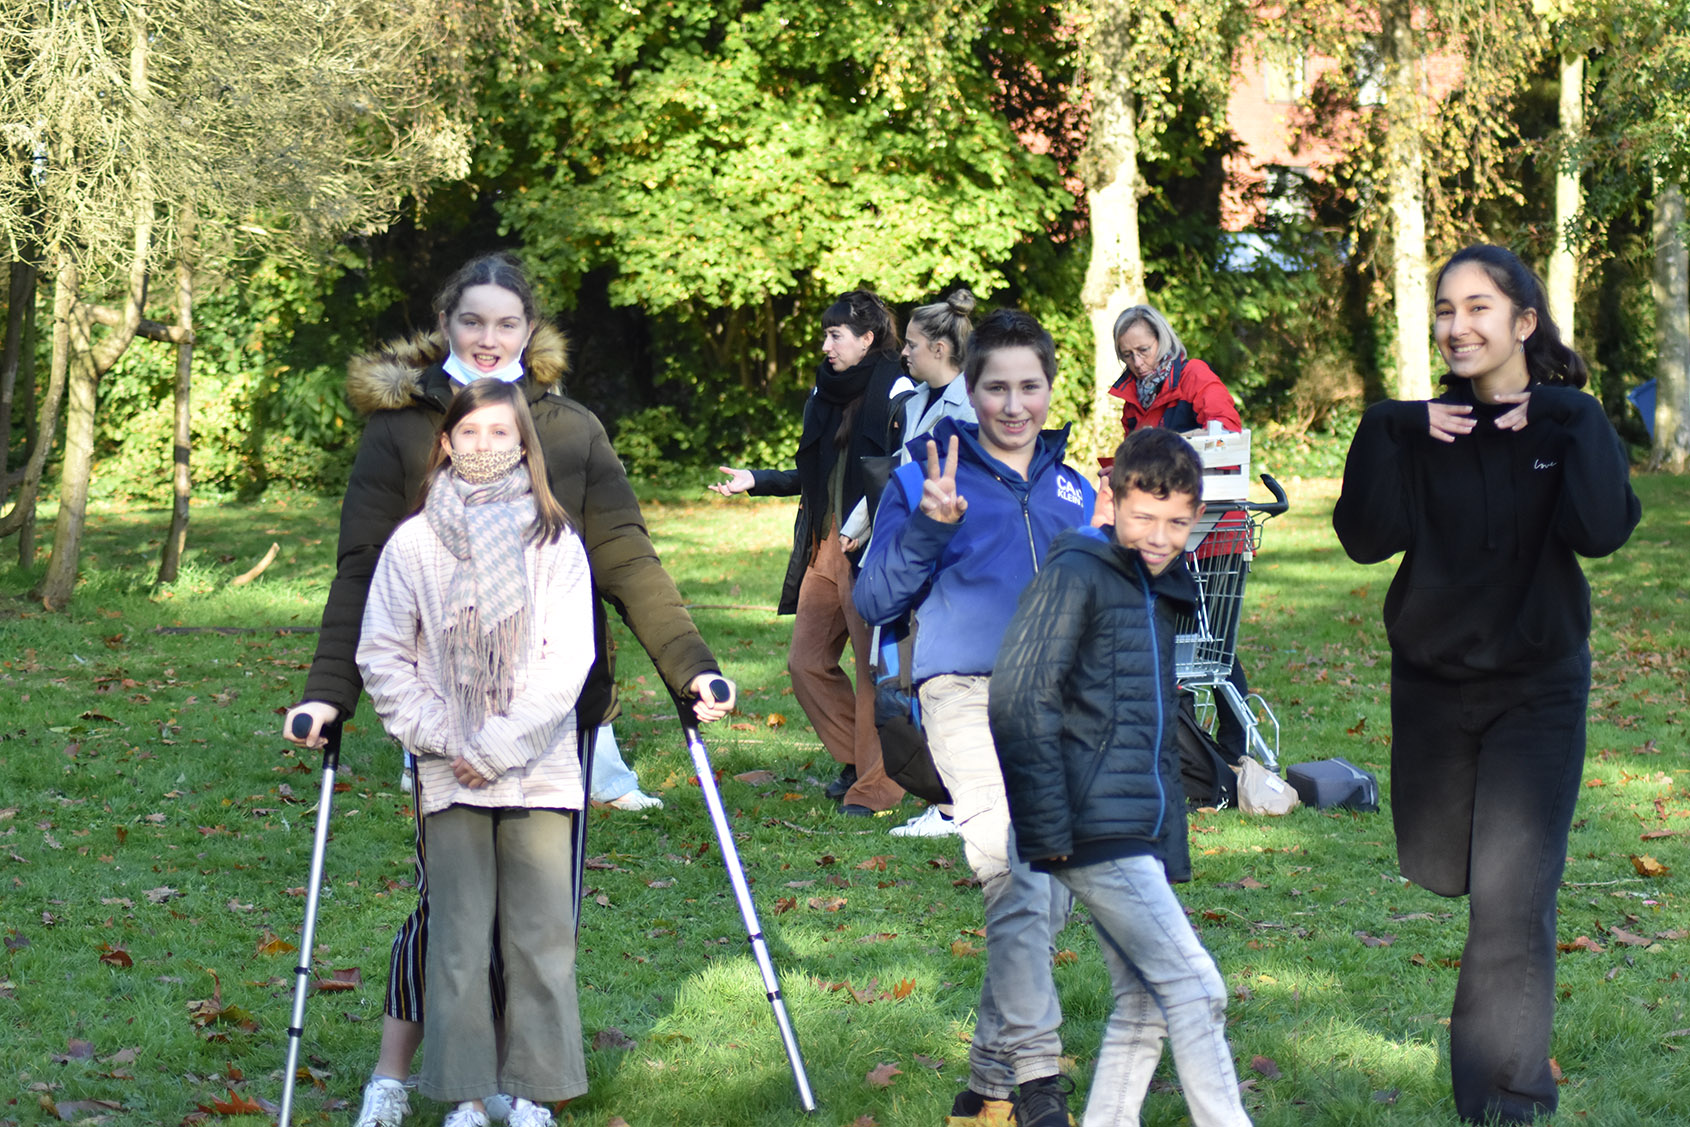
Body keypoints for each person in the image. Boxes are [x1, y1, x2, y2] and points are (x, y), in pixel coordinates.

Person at [281, 252, 735, 1127]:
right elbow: (362, 574)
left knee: (537, 913)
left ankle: (523, 1083)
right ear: (446, 325)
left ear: (532, 331)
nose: (489, 339)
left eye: (507, 323)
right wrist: (328, 688)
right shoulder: (405, 431)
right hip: (439, 716)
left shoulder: (569, 429)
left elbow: (626, 554)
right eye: (472, 322)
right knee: (448, 909)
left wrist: (690, 661)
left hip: (551, 717)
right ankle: (403, 1068)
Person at [1333, 244, 1640, 1124]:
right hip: (1432, 691)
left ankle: (1505, 1101)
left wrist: (1577, 419)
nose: (1458, 326)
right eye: (1445, 309)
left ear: (1522, 323)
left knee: (1512, 905)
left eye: (1478, 308)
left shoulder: (1566, 425)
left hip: (1537, 693)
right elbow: (1363, 537)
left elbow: (1602, 529)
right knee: (1440, 869)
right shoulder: (1420, 429)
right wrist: (1389, 424)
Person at [853, 309, 1096, 1127]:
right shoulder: (927, 470)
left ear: (1051, 388)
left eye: (1031, 386)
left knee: (1046, 886)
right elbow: (875, 596)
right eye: (997, 387)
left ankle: (985, 1084)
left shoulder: (1073, 490)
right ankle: (1039, 1087)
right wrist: (931, 525)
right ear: (971, 388)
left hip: (1056, 703)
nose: (1015, 404)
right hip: (961, 694)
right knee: (1012, 865)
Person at [989, 427, 1252, 1127]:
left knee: (1143, 1003)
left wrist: (1168, 841)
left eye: (1176, 522)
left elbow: (1155, 730)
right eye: (1143, 516)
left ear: (1196, 518)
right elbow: (1019, 697)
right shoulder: (1077, 573)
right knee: (1195, 989)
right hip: (1089, 827)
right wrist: (1052, 830)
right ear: (1109, 498)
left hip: (1133, 827)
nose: (1160, 535)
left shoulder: (1152, 587)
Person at [357, 380, 593, 1127]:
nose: (484, 444)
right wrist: (449, 738)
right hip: (448, 771)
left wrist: (495, 744)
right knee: (457, 937)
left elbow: (568, 661)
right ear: (446, 442)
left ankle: (530, 1091)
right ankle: (462, 1094)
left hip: (537, 766)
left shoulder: (554, 541)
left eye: (501, 432)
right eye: (471, 431)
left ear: (524, 444)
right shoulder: (414, 542)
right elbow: (383, 655)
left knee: (540, 937)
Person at [711, 290, 912, 815]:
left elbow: (903, 471)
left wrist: (871, 528)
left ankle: (877, 786)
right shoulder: (826, 392)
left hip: (870, 549)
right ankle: (855, 756)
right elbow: (813, 472)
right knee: (806, 663)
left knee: (873, 671)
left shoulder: (897, 389)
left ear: (867, 339)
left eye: (835, 335)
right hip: (825, 546)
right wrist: (756, 480)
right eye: (826, 334)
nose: (826, 345)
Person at [1102, 303, 1253, 763]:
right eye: (1127, 355)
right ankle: (1185, 746)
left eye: (1143, 350)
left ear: (1162, 341)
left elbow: (1226, 437)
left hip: (1214, 529)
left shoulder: (1195, 378)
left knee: (1212, 646)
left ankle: (1233, 748)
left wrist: (1167, 451)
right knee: (1177, 639)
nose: (1137, 363)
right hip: (1166, 534)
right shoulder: (1134, 398)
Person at [874, 289, 978, 838]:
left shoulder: (972, 406)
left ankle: (952, 805)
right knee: (900, 675)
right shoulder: (913, 401)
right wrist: (855, 532)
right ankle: (945, 798)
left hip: (943, 559)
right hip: (900, 553)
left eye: (912, 345)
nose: (905, 353)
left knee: (933, 679)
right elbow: (896, 477)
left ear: (940, 348)